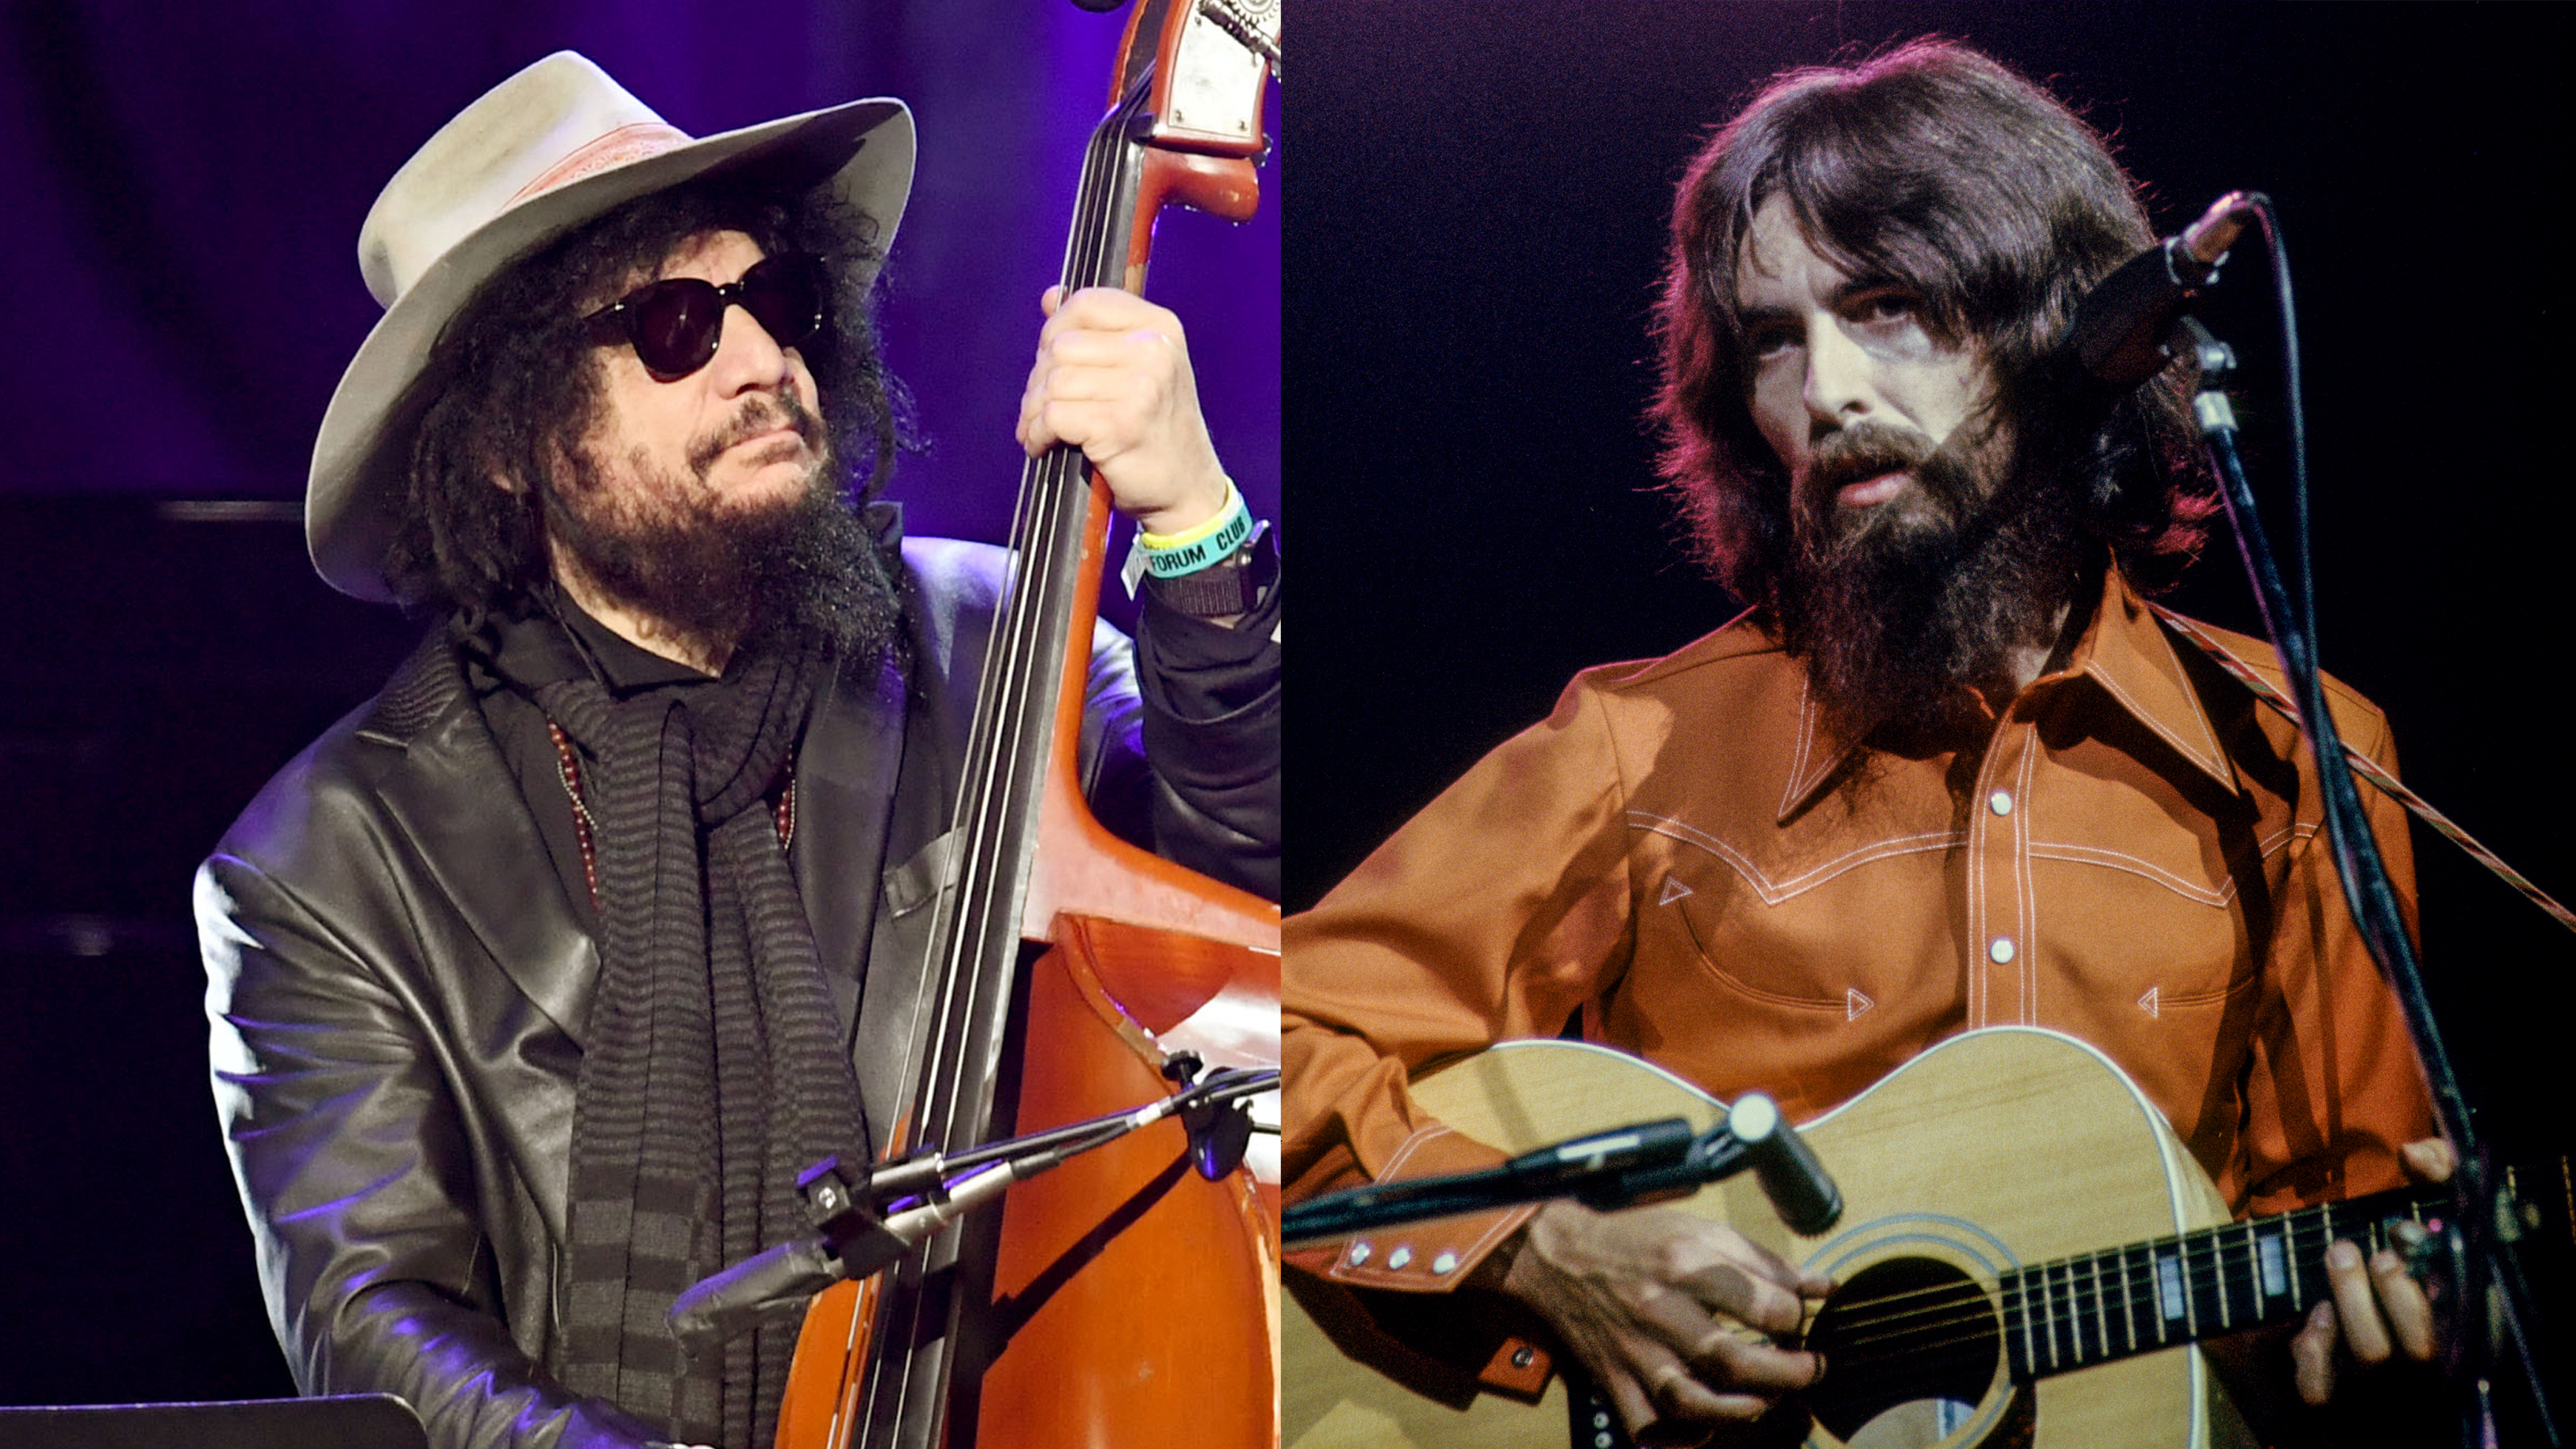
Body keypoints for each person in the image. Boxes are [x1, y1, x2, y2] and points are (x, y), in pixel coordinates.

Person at [1282, 39, 2445, 1446]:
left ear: (2063, 333)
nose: (1825, 390)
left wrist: (2381, 1336)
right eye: (1775, 338)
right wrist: (1538, 1249)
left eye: (1886, 307)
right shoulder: (1644, 744)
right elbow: (1271, 1032)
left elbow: (2351, 1241)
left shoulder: (2299, 757)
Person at [196, 52, 1278, 1449]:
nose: (765, 360)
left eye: (780, 301)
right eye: (672, 326)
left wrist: (1192, 518)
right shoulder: (324, 864)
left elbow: (1257, 889)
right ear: (511, 444)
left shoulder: (1008, 642)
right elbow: (376, 1329)